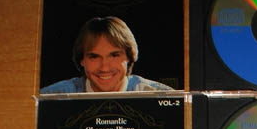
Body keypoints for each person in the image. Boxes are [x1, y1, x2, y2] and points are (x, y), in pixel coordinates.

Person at [40, 16, 174, 93]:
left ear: (129, 57)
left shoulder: (161, 95)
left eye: (114, 55)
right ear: (82, 60)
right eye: (94, 57)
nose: (104, 67)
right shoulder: (50, 97)